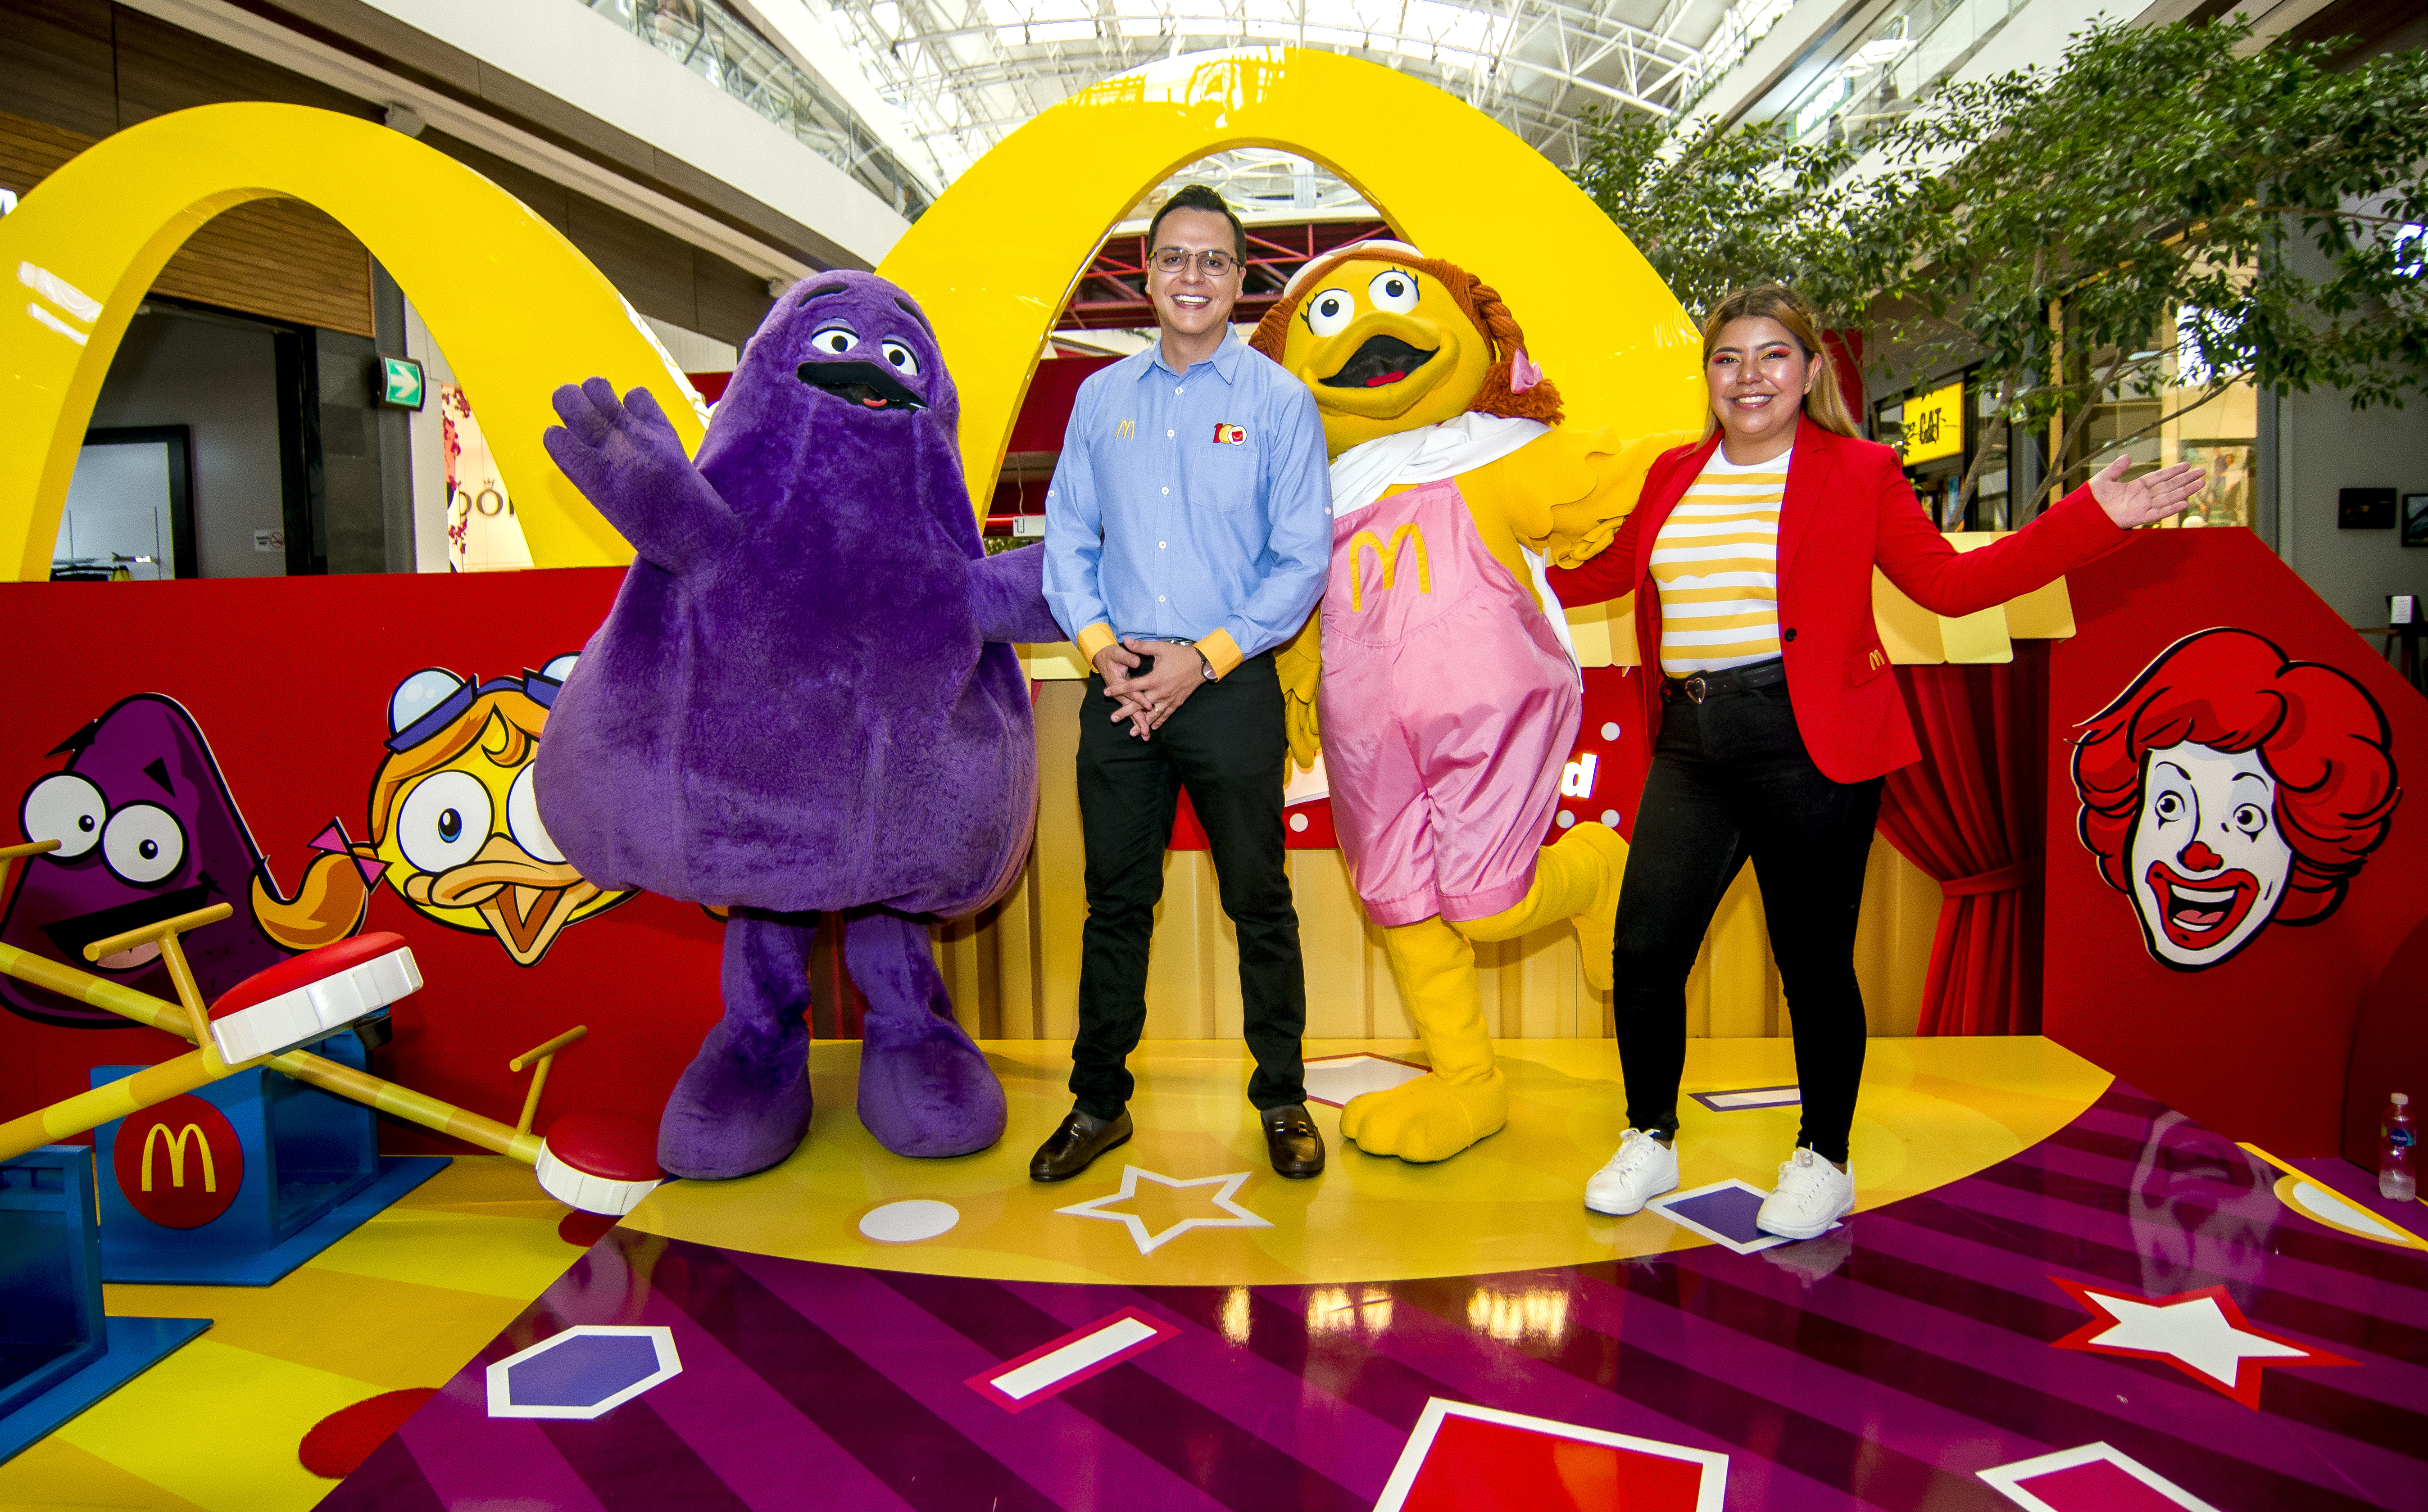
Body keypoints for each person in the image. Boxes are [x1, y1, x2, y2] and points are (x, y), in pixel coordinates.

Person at [1544, 282, 2204, 1238]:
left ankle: (1823, 1155)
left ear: (1809, 370)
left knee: (1809, 962)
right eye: (1727, 358)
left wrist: (2088, 519)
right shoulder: (1670, 476)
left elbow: (1947, 584)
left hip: (1807, 741)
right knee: (1643, 950)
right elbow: (1595, 576)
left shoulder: (1856, 470)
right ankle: (1648, 1132)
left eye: (1772, 355)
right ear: (1708, 378)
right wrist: (1466, 547)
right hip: (1689, 741)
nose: (1748, 376)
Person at [1034, 184, 1334, 1182]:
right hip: (1119, 684)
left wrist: (1200, 657)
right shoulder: (1098, 400)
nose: (1191, 276)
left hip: (1229, 681)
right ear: (1146, 275)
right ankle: (1096, 1103)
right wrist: (1096, 641)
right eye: (1173, 258)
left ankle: (1282, 1097)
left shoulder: (1278, 402)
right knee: (1115, 901)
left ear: (1240, 281)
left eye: (1212, 261)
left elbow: (1298, 561)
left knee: (1259, 899)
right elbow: (1069, 537)